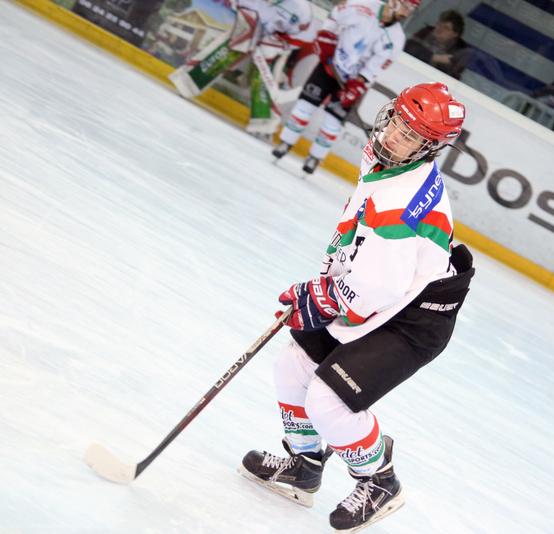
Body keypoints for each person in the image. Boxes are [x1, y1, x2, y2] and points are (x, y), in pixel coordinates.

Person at [238, 82, 475, 532]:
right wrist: (325, 286)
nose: (396, 136)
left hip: (413, 319)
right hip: (383, 296)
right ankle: (304, 466)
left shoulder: (402, 205)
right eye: (398, 122)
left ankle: (380, 481)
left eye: (412, 135)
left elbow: (375, 290)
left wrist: (322, 297)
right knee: (293, 365)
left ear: (429, 147)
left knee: (329, 399)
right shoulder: (385, 159)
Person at [272, 0, 419, 174]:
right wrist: (326, 36)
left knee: (333, 121)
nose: (407, 12)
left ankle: (315, 157)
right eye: (406, 6)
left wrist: (357, 85)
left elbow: (375, 67)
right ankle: (286, 143)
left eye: (412, 9)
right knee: (304, 107)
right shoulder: (363, 5)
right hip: (329, 65)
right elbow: (335, 16)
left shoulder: (397, 38)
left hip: (352, 82)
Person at [168, 0, 313, 136]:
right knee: (232, 49)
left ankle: (263, 121)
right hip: (253, 17)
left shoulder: (301, 8)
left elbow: (301, 33)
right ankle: (190, 82)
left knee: (262, 72)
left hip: (276, 37)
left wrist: (275, 41)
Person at [404, 10, 472, 80]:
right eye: (439, 24)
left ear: (455, 34)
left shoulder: (460, 51)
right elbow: (407, 47)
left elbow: (452, 77)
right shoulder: (425, 33)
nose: (440, 29)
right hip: (406, 71)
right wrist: (434, 57)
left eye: (446, 28)